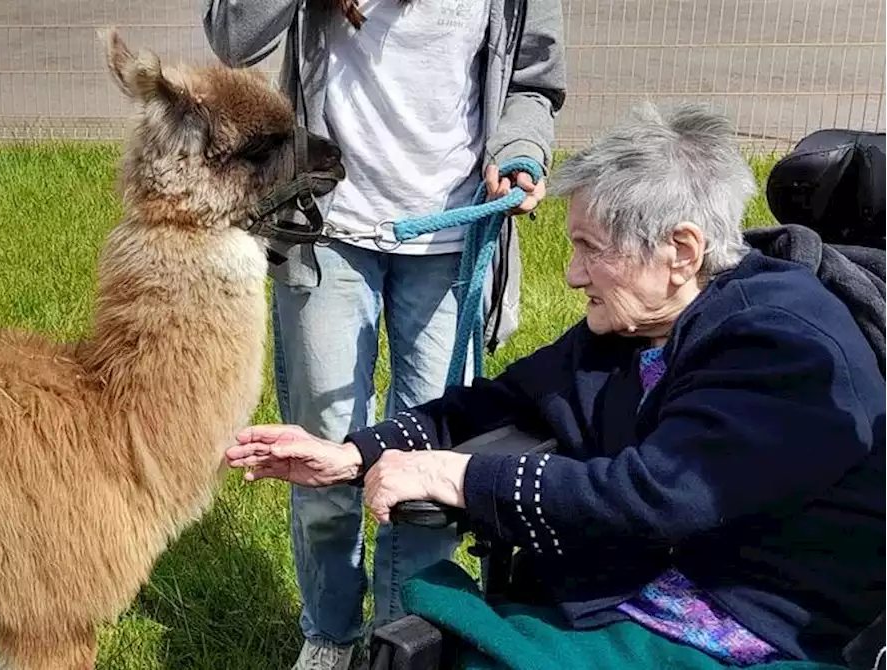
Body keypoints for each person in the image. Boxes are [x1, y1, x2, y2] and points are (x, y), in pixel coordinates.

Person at [226, 102, 887, 667]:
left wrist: (453, 478)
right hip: (657, 574)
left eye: (589, 248)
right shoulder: (642, 323)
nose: (572, 275)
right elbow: (503, 397)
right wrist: (354, 455)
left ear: (682, 253)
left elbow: (656, 493)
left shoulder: (783, 345)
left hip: (751, 613)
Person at [202, 1, 566, 666]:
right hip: (328, 230)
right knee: (324, 451)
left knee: (430, 474)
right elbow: (233, 37)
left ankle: (403, 641)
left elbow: (533, 80)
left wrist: (520, 148)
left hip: (453, 237)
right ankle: (332, 633)